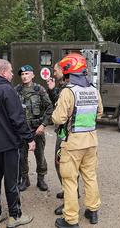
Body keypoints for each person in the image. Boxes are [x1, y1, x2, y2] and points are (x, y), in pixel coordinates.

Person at [0, 59, 35, 228]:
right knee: (12, 182)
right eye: (10, 71)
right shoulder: (6, 90)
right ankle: (14, 215)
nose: (12, 74)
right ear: (3, 72)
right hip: (8, 146)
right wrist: (29, 138)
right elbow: (18, 119)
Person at [52, 53, 103, 228]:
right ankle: (93, 210)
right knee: (90, 177)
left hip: (73, 143)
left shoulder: (68, 91)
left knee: (70, 181)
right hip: (91, 141)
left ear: (68, 72)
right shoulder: (93, 89)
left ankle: (71, 220)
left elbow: (58, 119)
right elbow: (99, 113)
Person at [47, 62, 80, 216]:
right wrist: (53, 89)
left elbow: (60, 114)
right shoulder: (65, 85)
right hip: (68, 132)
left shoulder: (69, 87)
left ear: (63, 70)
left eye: (55, 71)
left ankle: (70, 199)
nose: (53, 74)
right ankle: (69, 192)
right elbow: (57, 103)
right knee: (63, 165)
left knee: (63, 165)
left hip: (65, 132)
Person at [15, 65, 53, 192]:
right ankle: (25, 180)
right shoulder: (17, 90)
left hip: (37, 130)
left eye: (27, 74)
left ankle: (41, 179)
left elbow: (49, 108)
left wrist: (43, 125)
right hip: (22, 131)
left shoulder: (39, 89)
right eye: (22, 74)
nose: (24, 76)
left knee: (40, 156)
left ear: (32, 75)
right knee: (21, 157)